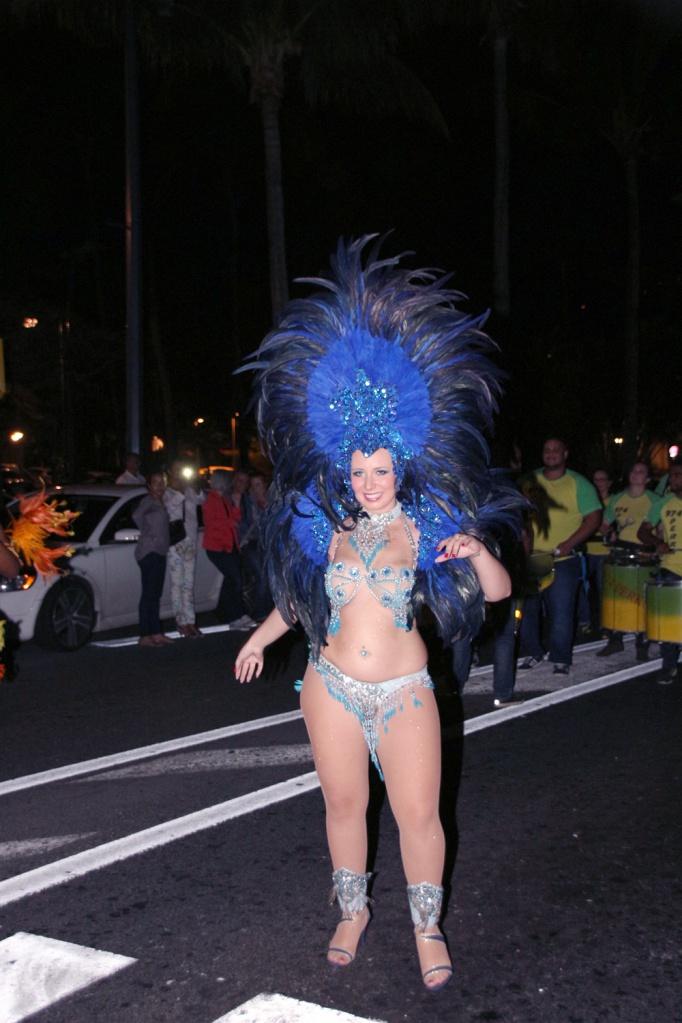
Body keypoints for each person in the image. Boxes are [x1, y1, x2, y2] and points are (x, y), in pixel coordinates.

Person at [233, 236, 517, 991]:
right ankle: (353, 911)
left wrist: (477, 551)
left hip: (403, 691)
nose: (367, 481)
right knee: (344, 805)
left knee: (419, 813)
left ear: (400, 466)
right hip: (329, 685)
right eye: (357, 470)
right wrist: (260, 638)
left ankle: (427, 926)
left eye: (380, 469)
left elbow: (496, 593)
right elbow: (298, 602)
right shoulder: (322, 526)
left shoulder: (426, 526)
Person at [518, 438, 602, 674]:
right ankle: (533, 652)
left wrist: (569, 543)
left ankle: (560, 656)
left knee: (562, 611)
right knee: (527, 612)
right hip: (532, 558)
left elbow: (594, 518)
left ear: (565, 454)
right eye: (547, 450)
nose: (551, 453)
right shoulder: (529, 481)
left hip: (563, 559)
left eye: (556, 450)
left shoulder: (579, 483)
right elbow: (517, 512)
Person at [597, 461, 657, 660]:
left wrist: (656, 547)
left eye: (641, 471)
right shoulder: (617, 498)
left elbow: (662, 528)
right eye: (633, 470)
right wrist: (609, 533)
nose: (635, 474)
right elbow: (603, 523)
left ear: (647, 478)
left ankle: (642, 643)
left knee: (642, 600)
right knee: (617, 598)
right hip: (621, 552)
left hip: (645, 554)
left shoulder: (655, 500)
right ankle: (615, 640)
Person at [637, 459, 682, 684]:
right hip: (671, 565)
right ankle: (669, 664)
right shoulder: (663, 504)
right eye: (671, 474)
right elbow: (643, 532)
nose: (672, 479)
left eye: (677, 474)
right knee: (669, 620)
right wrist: (658, 543)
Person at [202, 469, 253, 630]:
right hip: (217, 547)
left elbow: (235, 519)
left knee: (233, 581)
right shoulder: (210, 500)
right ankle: (234, 617)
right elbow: (211, 523)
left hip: (229, 545)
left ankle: (237, 614)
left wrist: (236, 505)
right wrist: (230, 522)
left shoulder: (223, 498)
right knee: (234, 580)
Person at [164, 460, 206, 638]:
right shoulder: (166, 492)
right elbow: (170, 506)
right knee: (177, 584)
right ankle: (180, 621)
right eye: (175, 470)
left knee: (189, 583)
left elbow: (202, 499)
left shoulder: (188, 490)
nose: (178, 473)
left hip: (190, 539)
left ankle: (190, 621)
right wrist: (180, 490)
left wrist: (194, 485)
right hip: (176, 541)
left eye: (181, 470)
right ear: (169, 472)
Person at [132, 472, 174, 647]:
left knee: (155, 594)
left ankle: (156, 632)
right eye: (155, 483)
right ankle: (144, 634)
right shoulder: (149, 500)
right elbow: (136, 516)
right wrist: (148, 533)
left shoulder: (160, 502)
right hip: (150, 552)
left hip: (159, 552)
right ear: (149, 486)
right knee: (148, 593)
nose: (159, 487)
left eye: (161, 483)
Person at [238, 472, 273, 623]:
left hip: (266, 543)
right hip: (249, 542)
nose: (256, 489)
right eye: (253, 486)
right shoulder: (247, 502)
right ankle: (260, 612)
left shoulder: (272, 500)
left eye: (259, 485)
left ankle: (268, 611)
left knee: (270, 575)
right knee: (261, 575)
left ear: (265, 485)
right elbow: (241, 521)